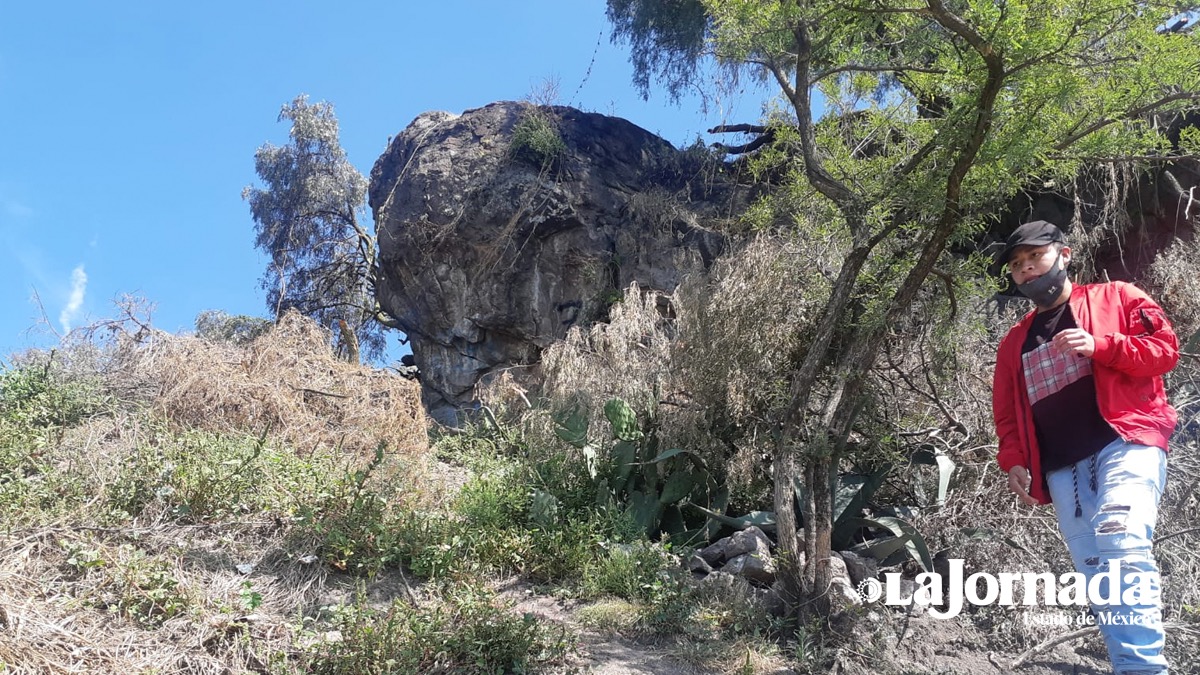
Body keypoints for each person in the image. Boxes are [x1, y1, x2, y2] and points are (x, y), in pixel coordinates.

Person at [991, 220, 1178, 674]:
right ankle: (1127, 666)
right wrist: (1014, 460)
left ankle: (1144, 669)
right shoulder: (1013, 343)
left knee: (1122, 541)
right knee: (1098, 575)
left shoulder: (1118, 297)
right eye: (1017, 265)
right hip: (1062, 471)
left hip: (1126, 443)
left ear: (1065, 254)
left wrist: (1101, 345)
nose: (1027, 269)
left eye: (1035, 256)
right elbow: (1009, 417)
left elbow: (1165, 350)